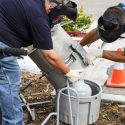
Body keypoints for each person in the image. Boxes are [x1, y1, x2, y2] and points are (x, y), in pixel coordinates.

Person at [0, 0, 83, 124]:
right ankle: (13, 122)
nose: (57, 19)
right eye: (58, 16)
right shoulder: (39, 16)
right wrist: (69, 72)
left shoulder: (35, 4)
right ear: (51, 6)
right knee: (9, 81)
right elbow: (50, 56)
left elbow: (26, 35)